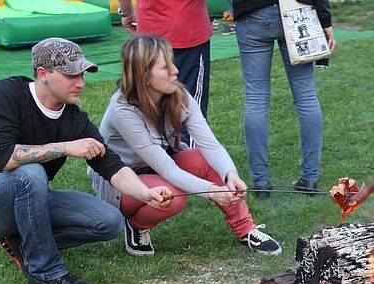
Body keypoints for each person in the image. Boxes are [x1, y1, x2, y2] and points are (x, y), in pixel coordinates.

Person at [0, 37, 171, 284]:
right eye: (70, 74)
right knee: (31, 172)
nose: (80, 83)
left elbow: (111, 165)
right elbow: (5, 158)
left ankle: (25, 243)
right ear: (43, 74)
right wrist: (66, 147)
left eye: (81, 74)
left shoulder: (73, 117)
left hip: (31, 199)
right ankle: (46, 274)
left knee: (109, 222)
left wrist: (145, 193)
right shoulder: (6, 94)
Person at [89, 34, 281, 256]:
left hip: (158, 165)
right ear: (144, 76)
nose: (175, 71)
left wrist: (230, 175)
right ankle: (137, 225)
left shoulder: (177, 94)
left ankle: (245, 229)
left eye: (172, 62)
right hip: (121, 182)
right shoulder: (123, 109)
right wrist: (212, 192)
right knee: (171, 196)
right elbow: (166, 169)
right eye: (165, 67)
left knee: (203, 158)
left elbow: (210, 144)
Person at [232, 0, 336, 197]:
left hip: (252, 12)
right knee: (306, 96)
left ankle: (260, 183)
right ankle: (310, 179)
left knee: (256, 99)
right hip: (296, 9)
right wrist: (325, 21)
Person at [116, 0, 213, 120]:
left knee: (151, 108)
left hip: (151, 30)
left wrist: (126, 12)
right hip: (186, 30)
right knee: (189, 112)